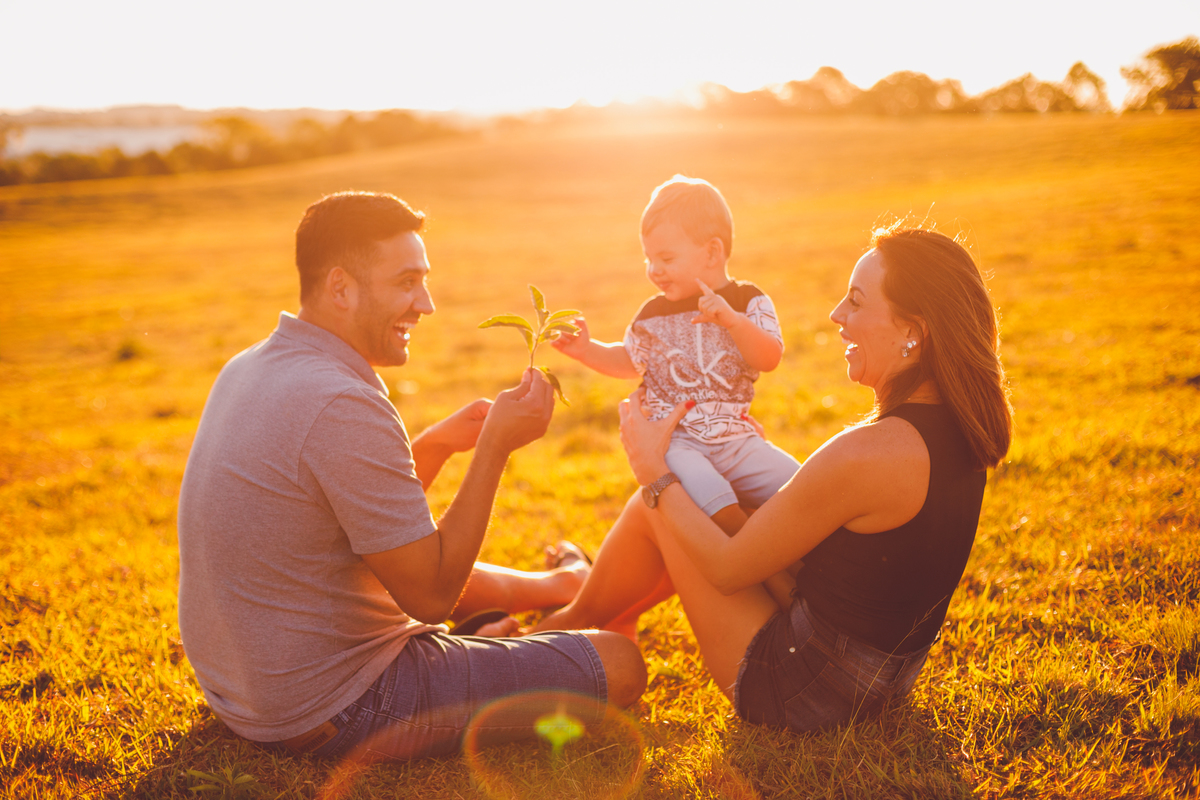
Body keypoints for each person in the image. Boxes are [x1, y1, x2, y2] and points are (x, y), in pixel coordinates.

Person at [177, 191, 646, 762]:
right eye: (405, 283)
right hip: (337, 703)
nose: (425, 304)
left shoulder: (252, 365)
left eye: (422, 280)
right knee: (620, 662)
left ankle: (559, 590)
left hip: (247, 692)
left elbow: (367, 528)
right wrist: (495, 446)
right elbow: (430, 593)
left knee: (421, 559)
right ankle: (543, 618)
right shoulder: (340, 401)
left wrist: (438, 444)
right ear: (341, 287)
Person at [536, 224, 1012, 732]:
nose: (836, 316)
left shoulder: (871, 452)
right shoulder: (962, 429)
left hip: (802, 690)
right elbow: (846, 578)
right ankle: (596, 616)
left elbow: (725, 569)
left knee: (658, 504)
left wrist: (654, 471)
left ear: (913, 331)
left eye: (855, 301)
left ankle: (565, 628)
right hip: (880, 676)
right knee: (714, 495)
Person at [552, 175, 800, 607]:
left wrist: (733, 322)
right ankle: (761, 560)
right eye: (648, 258)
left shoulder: (748, 301)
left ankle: (807, 561)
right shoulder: (652, 314)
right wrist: (586, 350)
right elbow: (630, 361)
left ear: (712, 252)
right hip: (678, 440)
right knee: (701, 484)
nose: (654, 269)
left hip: (737, 438)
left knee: (801, 487)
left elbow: (769, 356)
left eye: (665, 257)